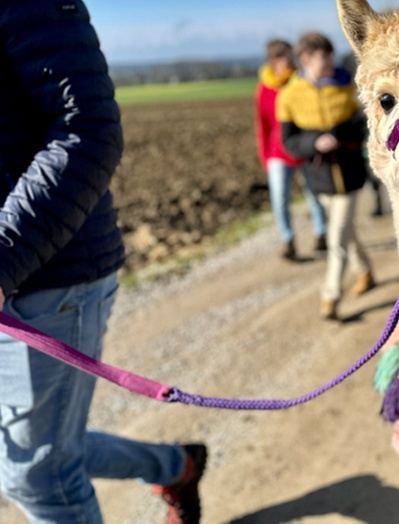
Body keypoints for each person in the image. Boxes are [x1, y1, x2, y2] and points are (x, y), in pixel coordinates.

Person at [0, 2, 206, 523]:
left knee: (38, 470)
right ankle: (174, 465)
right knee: (38, 447)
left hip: (46, 277)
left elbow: (87, 128)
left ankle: (175, 465)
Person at [277, 32, 375, 320]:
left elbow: (364, 124)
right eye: (324, 56)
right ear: (306, 59)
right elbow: (290, 142)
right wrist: (315, 143)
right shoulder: (289, 97)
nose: (331, 60)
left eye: (331, 55)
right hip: (318, 178)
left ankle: (330, 296)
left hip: (349, 175)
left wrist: (337, 135)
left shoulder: (347, 88)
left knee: (337, 238)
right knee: (346, 231)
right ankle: (365, 271)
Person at [255, 39, 327, 261]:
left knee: (314, 195)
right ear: (275, 60)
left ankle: (321, 235)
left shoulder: (301, 81)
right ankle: (288, 242)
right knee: (279, 199)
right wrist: (265, 156)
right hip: (278, 154)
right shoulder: (264, 90)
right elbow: (263, 125)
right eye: (287, 55)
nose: (293, 59)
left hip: (303, 149)